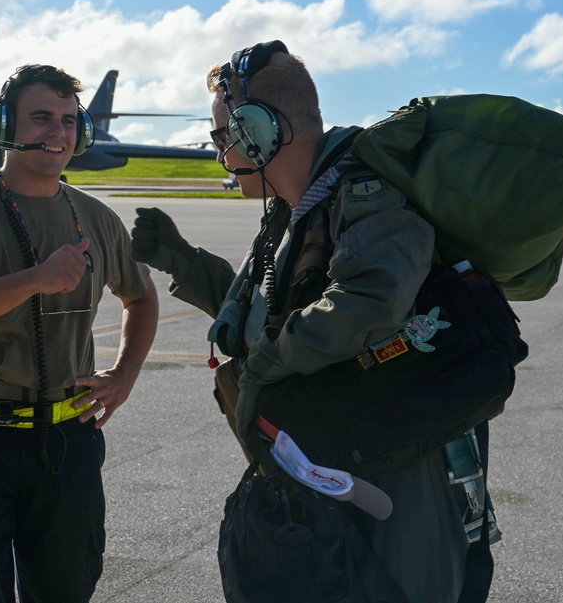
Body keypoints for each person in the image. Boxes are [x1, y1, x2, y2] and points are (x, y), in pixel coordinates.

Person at [131, 41, 487, 602]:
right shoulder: (294, 214)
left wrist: (270, 361)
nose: (221, 153)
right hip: (330, 465)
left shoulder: (367, 196)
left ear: (262, 132)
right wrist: (182, 261)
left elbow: (369, 301)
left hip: (396, 478)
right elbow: (273, 314)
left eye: (226, 136)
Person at [0, 63, 159, 603]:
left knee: (66, 588)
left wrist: (125, 374)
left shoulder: (98, 218)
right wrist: (38, 278)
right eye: (41, 117)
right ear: (4, 125)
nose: (58, 133)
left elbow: (141, 296)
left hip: (67, 440)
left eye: (69, 121)